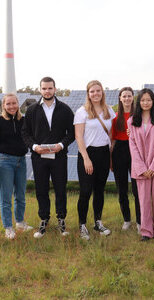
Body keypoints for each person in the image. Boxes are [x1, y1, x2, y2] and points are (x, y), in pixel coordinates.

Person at [22, 77, 74, 238]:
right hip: (39, 158)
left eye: (50, 88)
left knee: (60, 189)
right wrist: (35, 147)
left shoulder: (65, 109)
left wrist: (61, 145)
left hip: (59, 157)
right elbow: (25, 133)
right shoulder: (31, 110)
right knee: (41, 190)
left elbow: (71, 133)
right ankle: (44, 219)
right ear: (40, 90)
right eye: (44, 88)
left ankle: (61, 219)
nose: (47, 91)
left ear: (55, 89)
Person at [74, 80, 116, 240]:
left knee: (99, 190)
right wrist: (86, 158)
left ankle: (98, 222)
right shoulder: (81, 112)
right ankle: (82, 225)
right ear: (88, 94)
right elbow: (79, 137)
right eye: (92, 91)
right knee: (85, 191)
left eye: (98, 91)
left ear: (102, 92)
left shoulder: (109, 111)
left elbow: (111, 135)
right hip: (87, 154)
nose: (96, 94)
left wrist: (111, 157)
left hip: (104, 154)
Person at [128, 88, 154, 241]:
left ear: (153, 101)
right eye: (143, 100)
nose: (146, 103)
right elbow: (133, 146)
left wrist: (153, 167)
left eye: (149, 100)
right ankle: (146, 231)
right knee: (143, 200)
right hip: (140, 168)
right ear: (139, 102)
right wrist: (143, 168)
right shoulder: (132, 120)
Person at [0, 94, 33, 239]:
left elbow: (30, 137)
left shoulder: (24, 121)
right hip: (5, 161)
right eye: (8, 104)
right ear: (3, 105)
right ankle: (8, 227)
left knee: (20, 195)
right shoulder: (0, 121)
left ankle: (20, 222)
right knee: (6, 197)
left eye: (14, 103)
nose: (12, 106)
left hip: (21, 161)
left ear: (18, 104)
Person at [111, 87, 141, 232]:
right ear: (120, 98)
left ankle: (140, 221)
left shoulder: (139, 115)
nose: (127, 98)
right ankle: (127, 220)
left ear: (133, 98)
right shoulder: (115, 117)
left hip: (135, 150)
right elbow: (113, 140)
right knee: (122, 189)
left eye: (129, 96)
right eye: (124, 96)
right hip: (120, 152)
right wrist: (111, 160)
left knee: (137, 190)